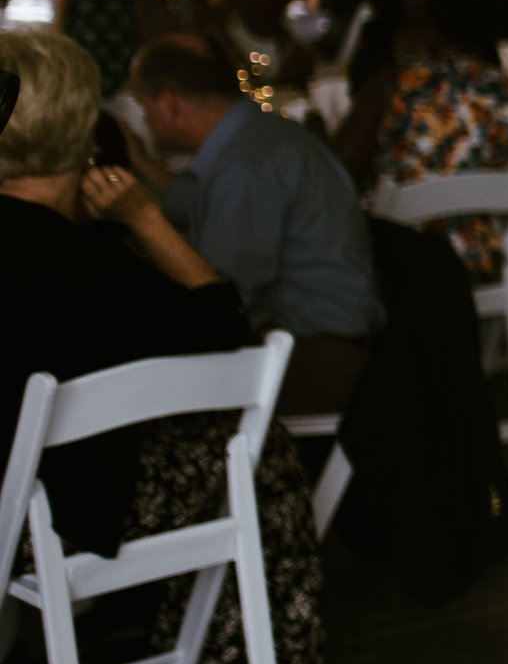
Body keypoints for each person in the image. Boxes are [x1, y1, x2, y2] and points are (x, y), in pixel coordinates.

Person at [0, 31, 325, 664]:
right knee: (256, 451)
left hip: (15, 505)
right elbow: (227, 337)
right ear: (83, 128)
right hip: (38, 526)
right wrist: (146, 217)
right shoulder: (95, 272)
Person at [128, 34, 385, 415]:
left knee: (139, 396)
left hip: (318, 361)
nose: (145, 121)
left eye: (143, 108)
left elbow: (224, 309)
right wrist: (136, 163)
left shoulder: (244, 166)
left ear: (168, 105)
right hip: (319, 343)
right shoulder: (256, 133)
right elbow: (188, 205)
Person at [331, 0, 508, 275]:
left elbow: (332, 175)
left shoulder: (393, 88)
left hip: (400, 269)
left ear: (433, 22)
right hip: (481, 263)